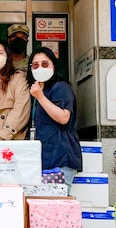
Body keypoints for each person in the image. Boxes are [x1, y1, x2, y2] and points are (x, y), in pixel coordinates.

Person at [26, 47, 82, 193]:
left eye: (45, 64)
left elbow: (64, 117)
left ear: (53, 66)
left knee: (56, 206)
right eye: (35, 65)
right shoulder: (36, 91)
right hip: (42, 159)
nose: (40, 68)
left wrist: (40, 97)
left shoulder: (61, 87)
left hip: (60, 158)